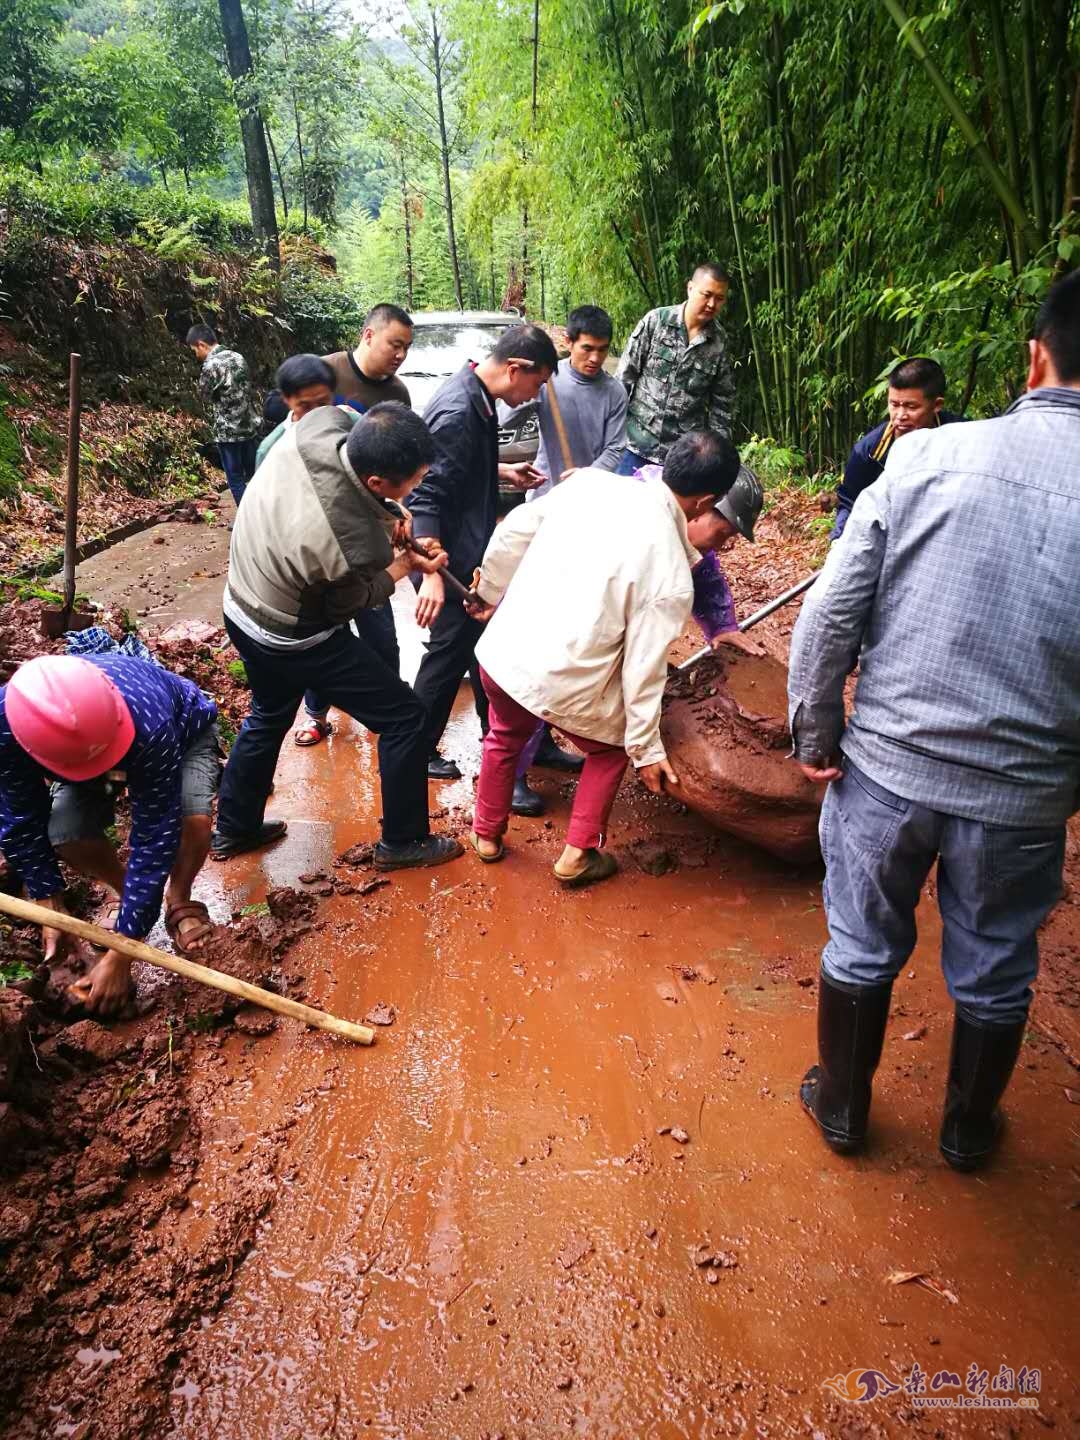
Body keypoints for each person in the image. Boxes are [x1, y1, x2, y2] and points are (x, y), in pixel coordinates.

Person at [787, 269, 1080, 1172]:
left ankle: (842, 1107)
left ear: (1035, 358)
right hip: (1026, 796)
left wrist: (815, 735)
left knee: (862, 938)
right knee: (997, 961)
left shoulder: (924, 458)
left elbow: (831, 614)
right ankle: (966, 1129)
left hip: (889, 768)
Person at [466, 429, 739, 886]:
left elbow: (512, 531)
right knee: (611, 749)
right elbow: (643, 671)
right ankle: (578, 854)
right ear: (704, 500)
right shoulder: (672, 570)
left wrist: (487, 591)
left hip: (504, 654)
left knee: (503, 734)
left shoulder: (590, 484)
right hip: (564, 678)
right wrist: (646, 749)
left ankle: (487, 835)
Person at [214, 401, 462, 871]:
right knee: (405, 717)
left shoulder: (325, 422)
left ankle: (235, 827)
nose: (416, 490)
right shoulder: (349, 544)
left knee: (268, 712)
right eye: (413, 482)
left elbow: (356, 429)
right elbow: (344, 605)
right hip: (291, 633)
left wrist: (394, 511)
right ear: (375, 482)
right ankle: (403, 842)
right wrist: (405, 563)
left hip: (241, 604)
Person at [0, 652, 221, 1016]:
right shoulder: (9, 722)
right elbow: (21, 817)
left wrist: (123, 953)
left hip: (181, 733)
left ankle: (179, 901)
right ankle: (124, 893)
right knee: (66, 831)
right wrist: (50, 909)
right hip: (81, 757)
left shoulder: (152, 724)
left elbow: (154, 838)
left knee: (191, 822)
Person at [409, 325, 558, 783]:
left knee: (485, 652)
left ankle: (518, 750)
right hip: (446, 561)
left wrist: (502, 471)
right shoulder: (459, 410)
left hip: (464, 553)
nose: (535, 396)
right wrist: (433, 573)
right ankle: (413, 752)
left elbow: (457, 465)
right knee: (449, 656)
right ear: (515, 369)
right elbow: (425, 496)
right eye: (537, 385)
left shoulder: (476, 396)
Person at [497, 305, 629, 813]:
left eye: (601, 350)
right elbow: (506, 415)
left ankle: (545, 745)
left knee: (576, 633)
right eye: (585, 348)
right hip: (545, 518)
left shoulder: (615, 392)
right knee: (542, 639)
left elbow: (617, 449)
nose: (594, 358)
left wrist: (589, 478)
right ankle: (514, 769)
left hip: (592, 515)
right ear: (570, 344)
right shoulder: (546, 385)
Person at [615, 264, 735, 472]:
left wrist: (717, 457)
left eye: (720, 298)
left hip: (682, 456)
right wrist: (610, 433)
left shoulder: (719, 343)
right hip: (636, 443)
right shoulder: (656, 322)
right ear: (690, 288)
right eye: (706, 294)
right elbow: (623, 379)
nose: (712, 304)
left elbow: (721, 406)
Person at [831, 356, 963, 539]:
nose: (900, 415)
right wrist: (838, 542)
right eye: (894, 404)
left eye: (911, 406)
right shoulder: (868, 452)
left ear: (937, 405)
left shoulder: (961, 437)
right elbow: (849, 503)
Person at [186, 325, 262, 509]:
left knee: (235, 478)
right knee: (253, 474)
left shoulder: (211, 365)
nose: (196, 355)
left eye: (195, 350)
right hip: (249, 426)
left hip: (228, 432)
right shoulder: (238, 357)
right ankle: (262, 513)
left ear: (201, 344)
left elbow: (203, 394)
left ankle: (248, 519)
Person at [323, 303, 414, 412]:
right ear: (369, 336)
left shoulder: (399, 395)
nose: (401, 355)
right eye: (396, 346)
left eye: (406, 348)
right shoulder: (324, 370)